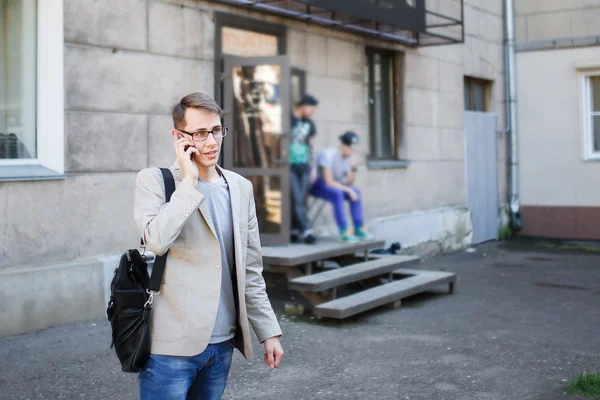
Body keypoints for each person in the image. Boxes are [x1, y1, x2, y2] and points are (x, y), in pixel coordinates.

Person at [134, 92, 283, 400]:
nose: (212, 141)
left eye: (216, 130)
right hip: (170, 347)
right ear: (179, 137)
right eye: (200, 133)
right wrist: (188, 183)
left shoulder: (240, 188)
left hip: (222, 343)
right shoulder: (155, 181)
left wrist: (268, 331)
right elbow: (157, 241)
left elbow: (250, 269)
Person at [310, 131, 375, 243]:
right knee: (338, 193)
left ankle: (358, 227)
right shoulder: (329, 154)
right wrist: (348, 189)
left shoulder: (347, 159)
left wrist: (353, 167)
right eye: (350, 147)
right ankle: (344, 229)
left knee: (356, 191)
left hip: (335, 185)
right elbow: (328, 181)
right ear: (343, 145)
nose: (352, 150)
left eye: (353, 148)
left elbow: (349, 183)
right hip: (318, 185)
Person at [289, 94, 319, 244]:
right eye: (311, 107)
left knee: (300, 199)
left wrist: (313, 168)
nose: (313, 111)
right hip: (289, 166)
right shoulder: (288, 119)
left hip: (305, 166)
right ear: (302, 106)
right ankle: (306, 231)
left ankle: (295, 230)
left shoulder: (310, 124)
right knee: (296, 198)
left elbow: (311, 146)